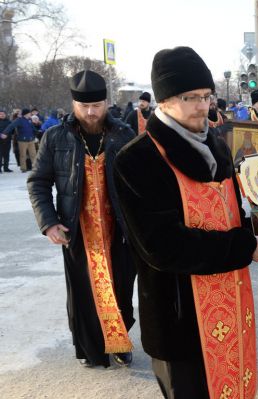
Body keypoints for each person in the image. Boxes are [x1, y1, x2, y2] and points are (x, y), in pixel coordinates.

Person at [113, 46, 258, 398]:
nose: (203, 106)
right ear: (164, 100)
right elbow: (162, 247)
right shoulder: (138, 159)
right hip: (180, 318)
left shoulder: (217, 145)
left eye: (207, 96)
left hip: (231, 304)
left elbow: (234, 217)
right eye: (190, 97)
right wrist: (244, 246)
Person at [27, 70, 137, 368]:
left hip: (120, 229)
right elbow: (38, 182)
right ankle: (92, 349)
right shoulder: (56, 136)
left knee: (121, 290)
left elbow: (141, 181)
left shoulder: (124, 134)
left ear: (106, 102)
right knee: (85, 295)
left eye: (97, 105)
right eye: (84, 106)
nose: (91, 112)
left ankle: (119, 340)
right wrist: (48, 222)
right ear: (74, 104)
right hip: (77, 229)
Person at [3, 108, 36, 172]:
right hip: (22, 141)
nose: (30, 114)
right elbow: (11, 126)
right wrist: (5, 132)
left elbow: (33, 128)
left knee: (33, 155)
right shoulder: (19, 120)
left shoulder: (29, 120)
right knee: (23, 155)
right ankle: (23, 168)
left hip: (31, 140)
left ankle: (36, 168)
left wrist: (38, 132)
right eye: (29, 113)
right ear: (26, 114)